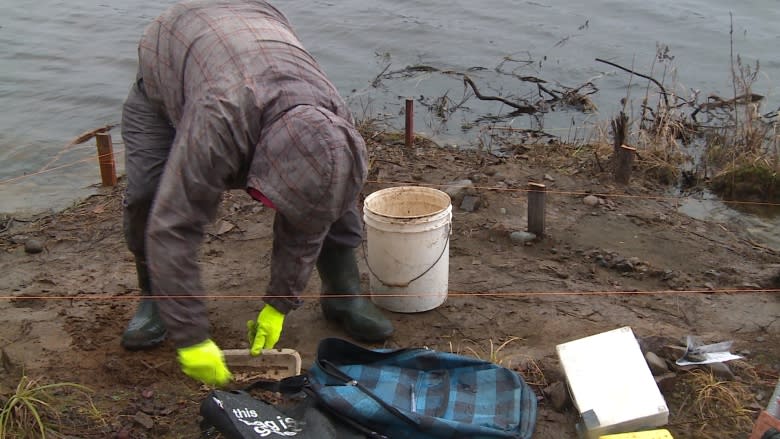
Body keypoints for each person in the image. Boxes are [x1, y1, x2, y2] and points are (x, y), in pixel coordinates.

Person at [119, 0, 393, 386]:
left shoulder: (335, 118)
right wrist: (192, 336)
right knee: (150, 196)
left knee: (332, 189)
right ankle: (156, 301)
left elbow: (313, 213)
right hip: (172, 58)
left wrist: (279, 304)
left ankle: (342, 295)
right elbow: (175, 226)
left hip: (255, 34)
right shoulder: (218, 122)